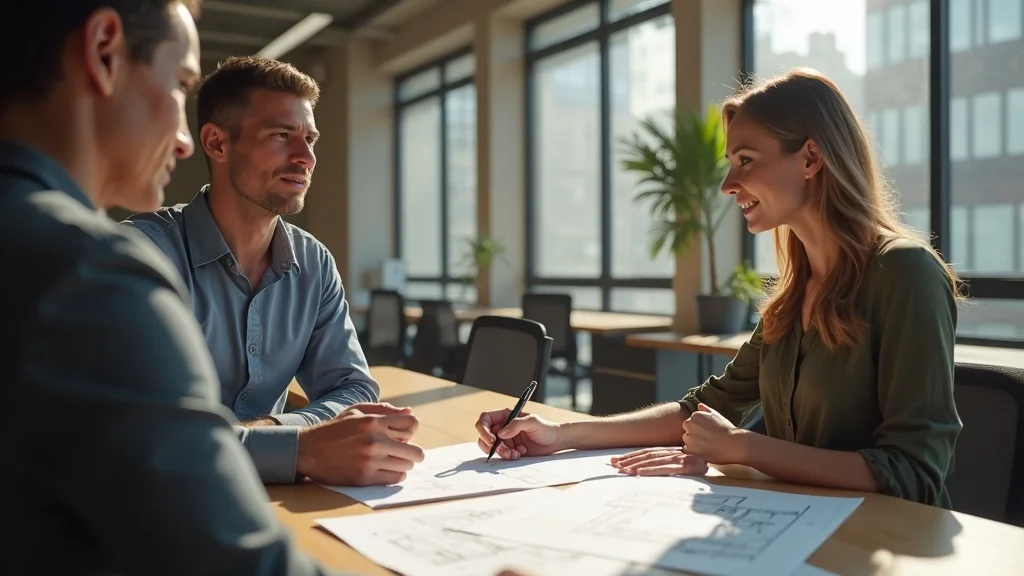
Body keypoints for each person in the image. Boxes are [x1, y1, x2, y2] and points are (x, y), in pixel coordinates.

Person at [474, 68, 964, 508]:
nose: (729, 184)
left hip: (885, 542)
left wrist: (742, 449)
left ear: (811, 157)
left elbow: (915, 473)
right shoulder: (793, 296)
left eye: (746, 160)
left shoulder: (905, 273)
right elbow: (703, 408)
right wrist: (561, 435)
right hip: (801, 526)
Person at [1, 1, 361, 574]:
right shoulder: (90, 270)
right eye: (179, 84)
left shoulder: (33, 243)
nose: (184, 142)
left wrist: (270, 434)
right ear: (102, 52)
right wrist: (299, 446)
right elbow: (227, 559)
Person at [123, 56, 424, 487]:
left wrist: (281, 437)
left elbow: (354, 388)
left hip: (277, 499)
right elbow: (143, 434)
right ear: (217, 143)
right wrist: (301, 446)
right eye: (282, 136)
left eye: (310, 139)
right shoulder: (141, 256)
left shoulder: (315, 263)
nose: (306, 158)